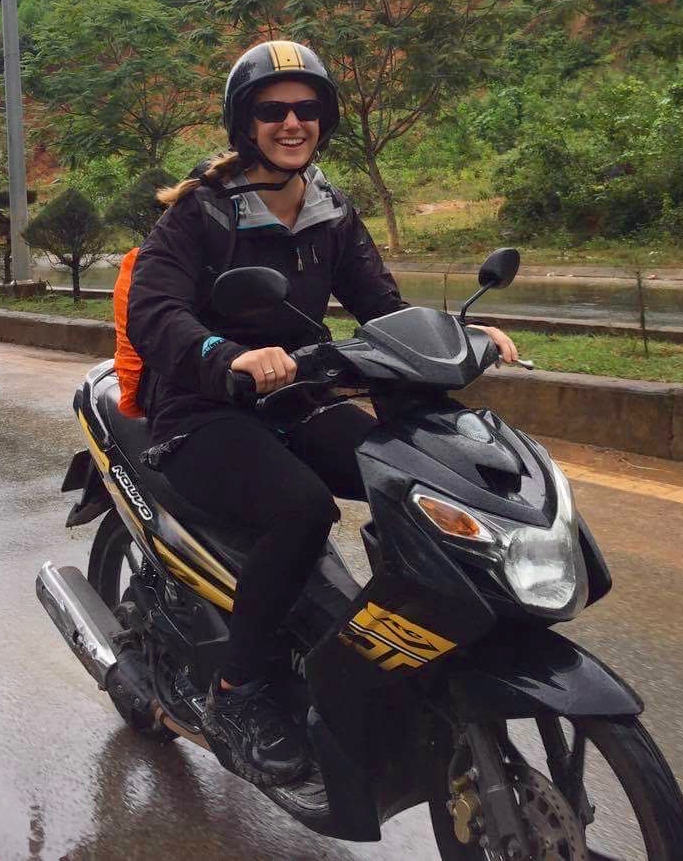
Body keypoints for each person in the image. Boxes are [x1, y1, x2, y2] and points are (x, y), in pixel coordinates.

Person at [126, 39, 518, 787]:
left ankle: (395, 637)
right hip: (203, 412)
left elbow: (382, 307)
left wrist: (460, 337)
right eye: (273, 110)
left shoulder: (331, 210)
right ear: (245, 123)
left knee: (410, 473)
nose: (292, 123)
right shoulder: (200, 213)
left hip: (297, 399)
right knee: (302, 510)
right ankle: (239, 691)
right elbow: (154, 310)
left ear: (325, 119)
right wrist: (224, 355)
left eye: (307, 108)